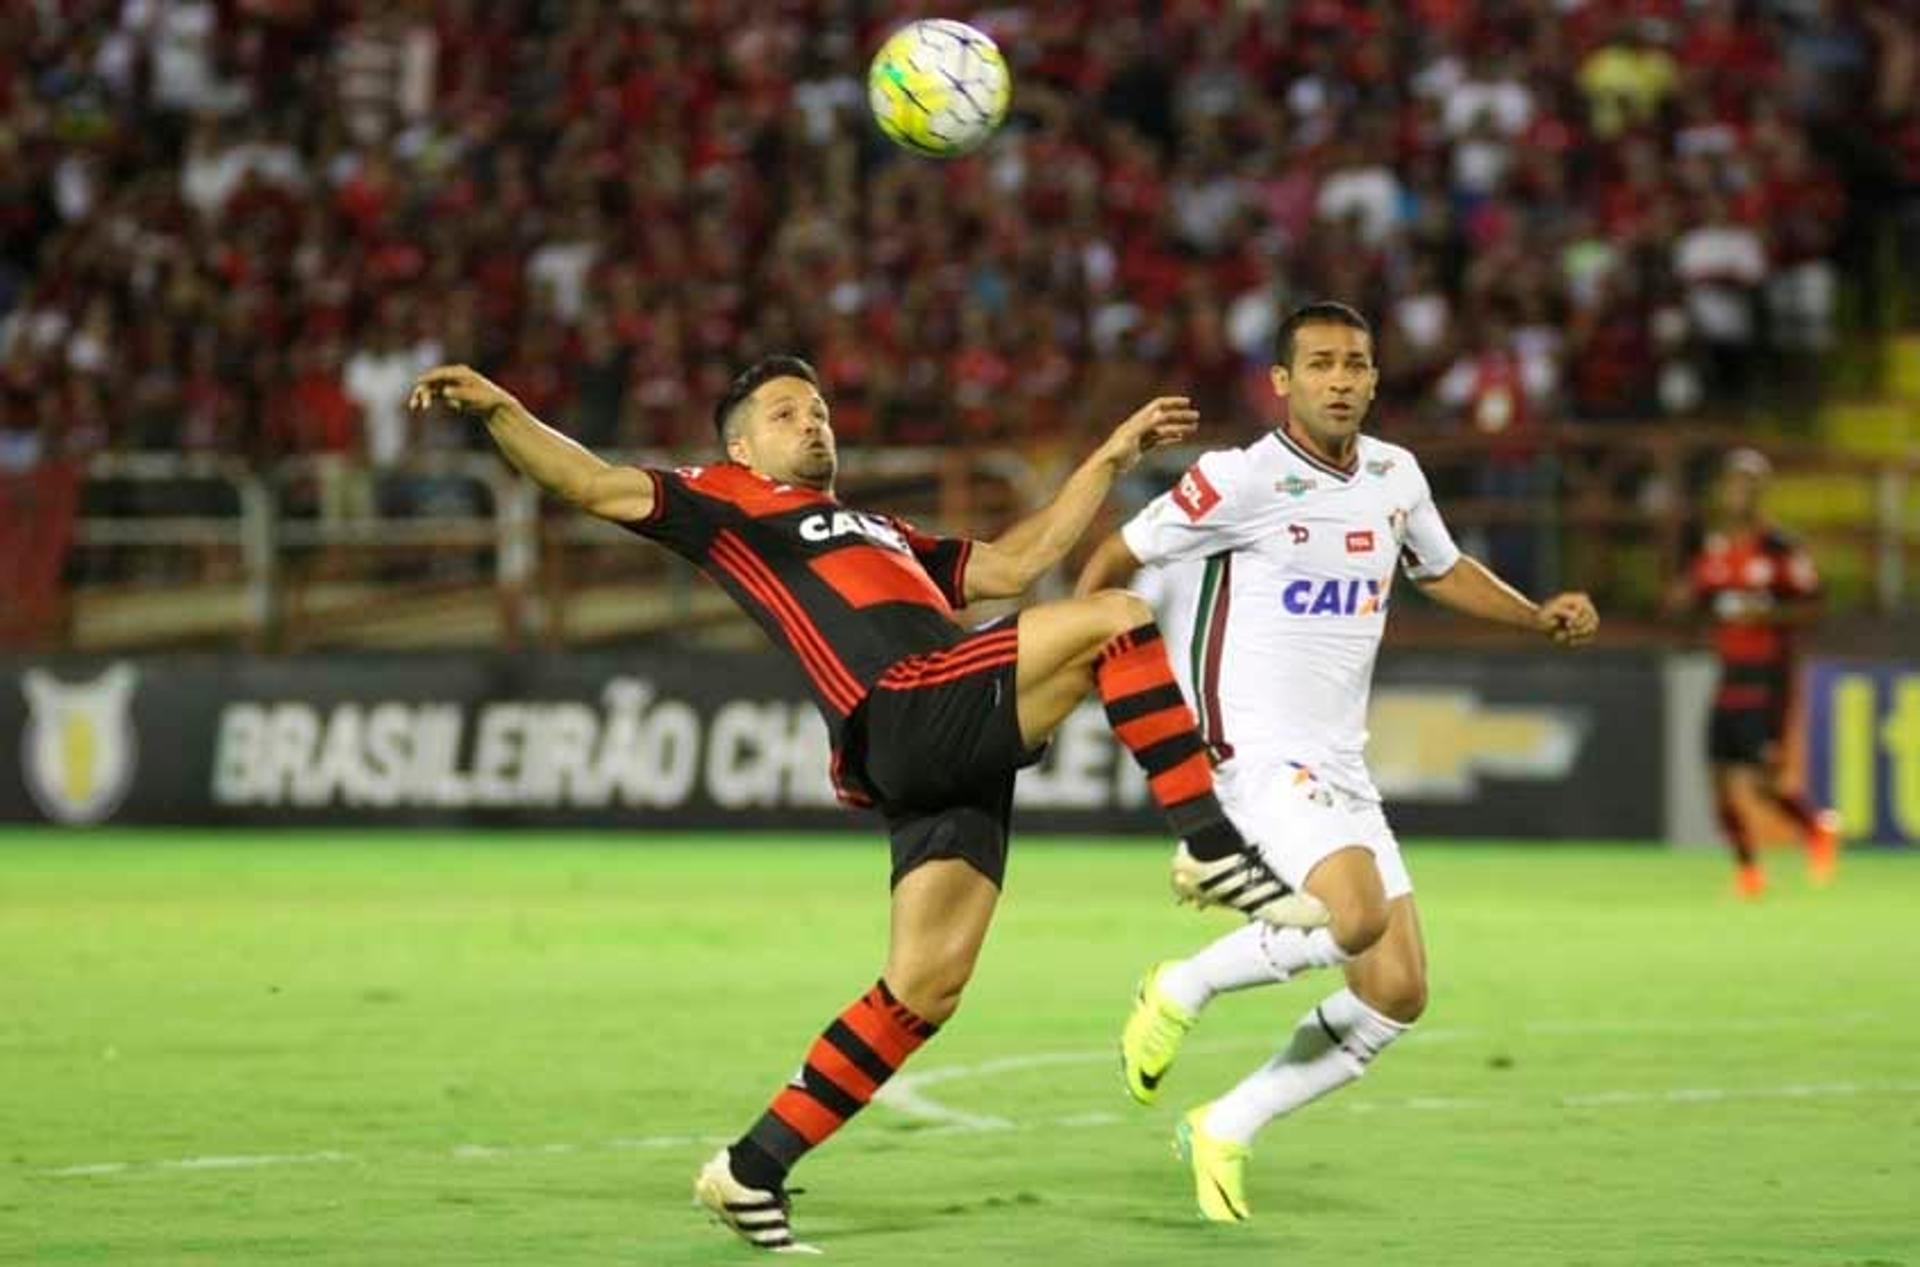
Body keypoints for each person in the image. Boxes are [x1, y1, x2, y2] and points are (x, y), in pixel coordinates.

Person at [409, 355, 1324, 1254]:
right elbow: (594, 485)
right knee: (1117, 619)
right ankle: (1208, 840)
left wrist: (1112, 455)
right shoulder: (727, 504)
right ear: (739, 448)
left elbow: (1015, 564)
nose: (813, 423)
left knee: (924, 989)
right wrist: (499, 409)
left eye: (819, 411)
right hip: (903, 702)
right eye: (785, 414)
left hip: (949, 747)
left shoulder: (880, 528)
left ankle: (752, 1168)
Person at [1074, 302, 1600, 1223]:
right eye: (1319, 364)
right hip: (1252, 749)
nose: (1341, 380)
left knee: (1396, 991)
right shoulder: (1236, 480)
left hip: (1339, 758)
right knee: (1355, 918)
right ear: (1281, 383)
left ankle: (1226, 1122)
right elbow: (1110, 561)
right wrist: (1102, 673)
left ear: (1375, 377)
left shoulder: (1395, 474)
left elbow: (1439, 569)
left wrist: (1534, 613)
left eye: (1356, 364)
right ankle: (1186, 983)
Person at [1675, 447, 1837, 898]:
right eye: (1734, 481)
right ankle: (1748, 871)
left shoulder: (1779, 547)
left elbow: (1813, 607)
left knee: (1762, 782)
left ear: (1762, 491)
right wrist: (1687, 596)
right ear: (1724, 490)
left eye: (1750, 483)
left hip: (1768, 675)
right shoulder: (1716, 547)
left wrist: (1764, 612)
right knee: (1717, 780)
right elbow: (1686, 599)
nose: (1740, 491)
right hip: (1729, 673)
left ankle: (1815, 827)